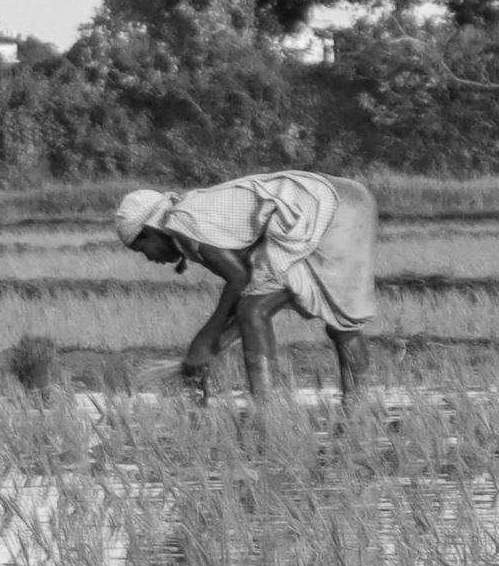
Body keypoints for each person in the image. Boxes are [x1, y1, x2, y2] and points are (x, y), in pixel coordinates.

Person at [114, 171, 379, 403]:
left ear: (151, 230)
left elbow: (240, 280)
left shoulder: (185, 223)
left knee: (255, 310)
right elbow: (246, 289)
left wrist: (206, 340)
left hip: (328, 207)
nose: (149, 257)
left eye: (142, 248)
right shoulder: (189, 219)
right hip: (342, 200)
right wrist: (211, 348)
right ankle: (355, 406)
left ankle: (265, 406)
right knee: (324, 320)